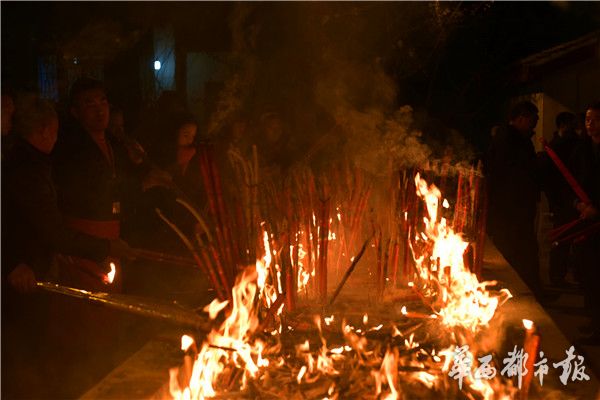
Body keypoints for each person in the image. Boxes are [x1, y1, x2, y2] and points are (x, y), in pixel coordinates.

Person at [1, 98, 130, 398]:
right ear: (46, 131)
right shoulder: (25, 169)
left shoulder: (29, 162)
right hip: (18, 277)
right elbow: (48, 228)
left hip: (31, 265)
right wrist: (106, 246)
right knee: (23, 354)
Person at [51, 77, 147, 392]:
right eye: (89, 103)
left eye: (102, 101)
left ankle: (107, 378)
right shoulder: (68, 148)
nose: (98, 110)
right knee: (84, 317)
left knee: (108, 315)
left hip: (111, 236)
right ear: (75, 112)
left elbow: (123, 189)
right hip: (83, 240)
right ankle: (81, 384)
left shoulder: (113, 144)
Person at [486, 101, 545, 300]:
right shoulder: (507, 139)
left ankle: (533, 291)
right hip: (510, 209)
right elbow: (512, 173)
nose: (534, 126)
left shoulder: (518, 139)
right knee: (518, 251)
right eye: (532, 120)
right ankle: (524, 293)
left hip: (517, 207)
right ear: (521, 118)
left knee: (525, 250)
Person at [570, 101, 600, 345]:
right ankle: (594, 319)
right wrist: (578, 204)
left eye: (596, 120)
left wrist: (596, 209)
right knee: (588, 274)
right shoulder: (583, 148)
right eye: (588, 120)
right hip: (585, 218)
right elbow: (574, 179)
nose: (591, 125)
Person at [541, 111, 579, 287]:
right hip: (565, 198)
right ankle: (558, 275)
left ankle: (564, 274)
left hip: (567, 197)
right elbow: (551, 176)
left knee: (573, 236)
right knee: (564, 237)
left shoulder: (559, 144)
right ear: (563, 125)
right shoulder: (564, 145)